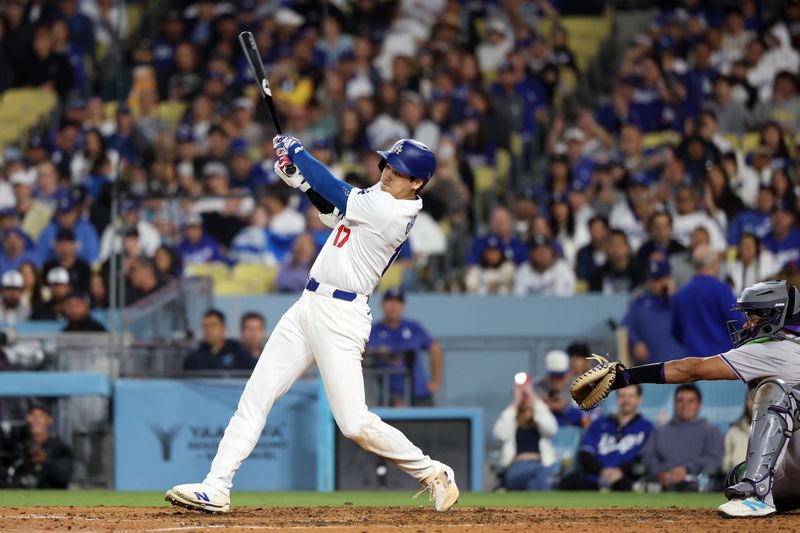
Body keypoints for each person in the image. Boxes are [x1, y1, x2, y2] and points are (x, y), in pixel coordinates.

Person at [167, 136, 459, 514]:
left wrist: (300, 155)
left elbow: (335, 190)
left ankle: (434, 471)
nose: (388, 172)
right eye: (387, 164)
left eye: (399, 171)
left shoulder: (394, 211)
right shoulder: (380, 198)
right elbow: (336, 213)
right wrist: (300, 181)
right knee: (255, 397)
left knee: (353, 423)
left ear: (418, 182)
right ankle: (217, 486)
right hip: (308, 304)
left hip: (342, 315)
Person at [577, 280, 800, 516]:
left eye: (753, 317)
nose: (746, 324)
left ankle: (756, 494)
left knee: (774, 393)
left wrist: (626, 377)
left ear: (773, 317)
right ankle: (758, 490)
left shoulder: (773, 348)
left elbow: (693, 369)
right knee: (737, 476)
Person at [560, 385, 653, 491]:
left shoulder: (647, 428)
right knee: (568, 482)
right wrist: (602, 471)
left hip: (625, 480)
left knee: (626, 486)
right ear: (617, 399)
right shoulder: (600, 424)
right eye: (623, 396)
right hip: (595, 479)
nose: (626, 400)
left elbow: (644, 459)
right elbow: (585, 454)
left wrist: (620, 471)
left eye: (631, 396)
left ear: (639, 399)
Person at [366, 288, 443, 407]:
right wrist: (378, 353)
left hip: (420, 393)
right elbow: (362, 353)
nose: (394, 306)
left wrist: (435, 382)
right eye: (390, 301)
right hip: (390, 395)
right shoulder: (373, 330)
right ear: (382, 305)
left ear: (403, 306)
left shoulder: (413, 327)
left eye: (398, 302)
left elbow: (435, 347)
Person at [640, 384, 724, 492]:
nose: (685, 405)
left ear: (699, 405)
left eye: (691, 401)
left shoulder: (712, 431)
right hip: (663, 487)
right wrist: (660, 472)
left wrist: (687, 469)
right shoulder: (660, 431)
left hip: (698, 488)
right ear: (674, 404)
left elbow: (715, 459)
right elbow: (647, 456)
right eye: (680, 401)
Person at [672, 244, 742, 357]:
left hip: (693, 363)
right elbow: (740, 322)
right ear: (714, 264)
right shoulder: (721, 290)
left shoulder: (681, 294)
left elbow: (676, 332)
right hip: (721, 363)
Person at [492, 374, 558, 491]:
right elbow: (499, 434)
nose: (524, 398)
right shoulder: (512, 418)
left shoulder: (539, 417)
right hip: (516, 468)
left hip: (538, 463)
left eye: (526, 396)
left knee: (533, 484)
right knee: (542, 473)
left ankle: (533, 509)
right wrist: (514, 403)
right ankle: (551, 508)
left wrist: (533, 397)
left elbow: (551, 429)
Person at [623, 258, 685, 364]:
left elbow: (689, 324)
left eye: (659, 279)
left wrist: (672, 297)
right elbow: (626, 326)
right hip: (651, 368)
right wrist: (636, 342)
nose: (654, 284)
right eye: (652, 280)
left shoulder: (680, 301)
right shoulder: (640, 302)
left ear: (668, 279)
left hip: (680, 367)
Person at [8, 405, 73, 489]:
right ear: (27, 418)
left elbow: (64, 476)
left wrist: (45, 460)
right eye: (32, 415)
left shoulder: (60, 447)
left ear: (50, 420)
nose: (36, 420)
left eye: (40, 416)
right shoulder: (16, 445)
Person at [183, 309, 255, 371]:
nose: (209, 330)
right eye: (205, 326)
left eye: (213, 325)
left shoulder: (240, 354)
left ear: (223, 328)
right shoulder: (193, 358)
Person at [535, 350, 584, 427]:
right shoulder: (536, 390)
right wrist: (540, 407)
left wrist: (565, 409)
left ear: (568, 374)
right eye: (552, 376)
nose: (556, 380)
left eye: (560, 376)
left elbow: (588, 423)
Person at [41, 229, 91, 293]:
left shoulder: (84, 267)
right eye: (61, 242)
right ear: (55, 245)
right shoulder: (49, 267)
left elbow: (86, 291)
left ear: (75, 245)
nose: (64, 246)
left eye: (68, 242)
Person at [722, 393, 754, 474]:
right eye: (751, 399)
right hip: (738, 483)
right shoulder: (734, 431)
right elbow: (725, 465)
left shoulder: (777, 431)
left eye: (758, 399)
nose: (754, 403)